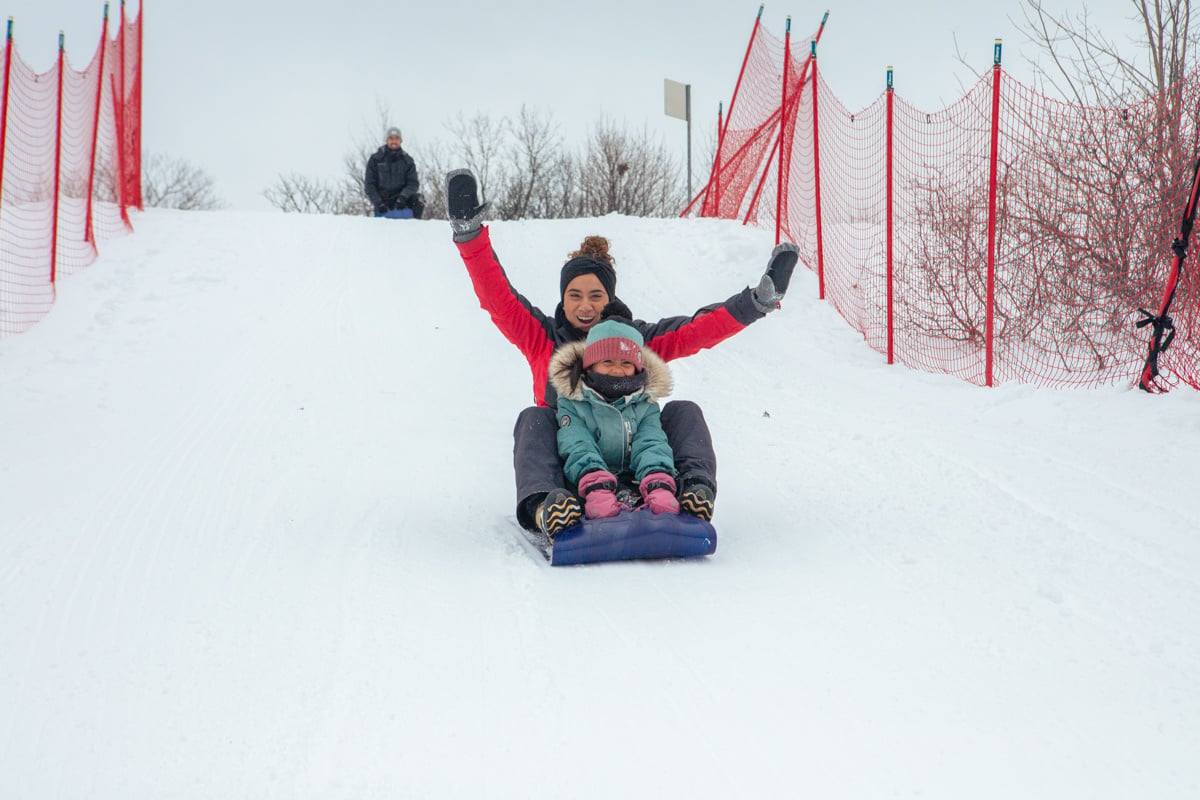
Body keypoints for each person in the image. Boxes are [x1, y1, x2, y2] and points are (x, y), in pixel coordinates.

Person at [444, 168, 799, 536]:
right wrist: (469, 236)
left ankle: (694, 493)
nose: (585, 305)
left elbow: (696, 330)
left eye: (596, 296)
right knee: (534, 419)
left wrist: (756, 303)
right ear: (562, 300)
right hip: (570, 468)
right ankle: (547, 509)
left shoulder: (633, 341)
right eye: (575, 295)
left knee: (683, 412)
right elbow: (499, 300)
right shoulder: (543, 338)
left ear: (609, 299)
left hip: (641, 462)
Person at [547, 316, 680, 533]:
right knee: (535, 419)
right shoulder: (572, 400)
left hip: (635, 482)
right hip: (584, 483)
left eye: (626, 363)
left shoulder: (645, 402)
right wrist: (596, 487)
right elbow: (577, 443)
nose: (617, 370)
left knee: (685, 411)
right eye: (607, 362)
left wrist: (658, 482)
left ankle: (689, 494)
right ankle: (553, 510)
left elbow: (651, 442)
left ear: (637, 368)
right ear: (590, 365)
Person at [364, 127, 424, 219]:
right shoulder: (375, 159)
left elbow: (413, 183)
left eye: (396, 139)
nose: (394, 141)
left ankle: (415, 227)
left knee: (419, 199)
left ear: (400, 141)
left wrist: (403, 197)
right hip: (383, 202)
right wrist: (378, 202)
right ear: (387, 140)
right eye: (391, 138)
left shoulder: (407, 161)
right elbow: (369, 184)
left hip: (402, 201)